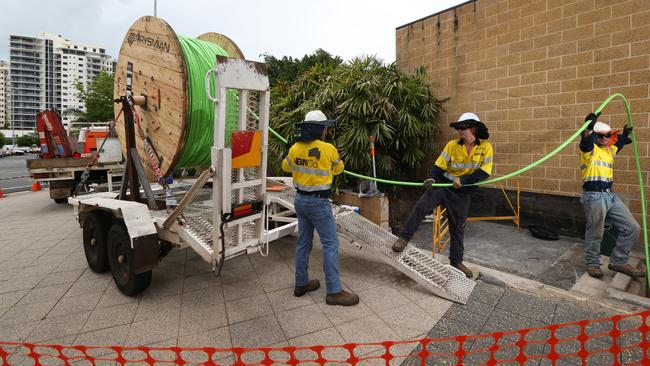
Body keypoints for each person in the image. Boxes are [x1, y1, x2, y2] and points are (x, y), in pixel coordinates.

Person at [392, 112, 493, 278]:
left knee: (458, 227)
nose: (459, 130)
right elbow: (438, 167)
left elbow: (484, 173)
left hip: (463, 193)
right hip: (443, 186)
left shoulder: (486, 147)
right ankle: (403, 238)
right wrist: (432, 178)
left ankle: (456, 261)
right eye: (458, 128)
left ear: (474, 128)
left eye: (463, 127)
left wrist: (464, 180)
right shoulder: (452, 145)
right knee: (420, 208)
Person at [281, 110, 360, 306]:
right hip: (319, 203)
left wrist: (287, 151)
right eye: (325, 127)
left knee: (303, 243)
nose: (326, 130)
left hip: (300, 201)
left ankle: (301, 284)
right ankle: (334, 291)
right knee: (330, 244)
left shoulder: (295, 148)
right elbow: (338, 168)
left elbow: (285, 167)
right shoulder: (328, 149)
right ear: (319, 129)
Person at [578, 112, 643, 279]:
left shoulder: (609, 151)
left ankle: (618, 262)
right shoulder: (589, 151)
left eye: (607, 135)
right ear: (595, 136)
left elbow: (618, 143)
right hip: (594, 196)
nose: (605, 138)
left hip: (610, 196)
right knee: (596, 231)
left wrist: (625, 135)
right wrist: (589, 126)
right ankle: (593, 263)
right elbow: (585, 141)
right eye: (601, 135)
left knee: (632, 228)